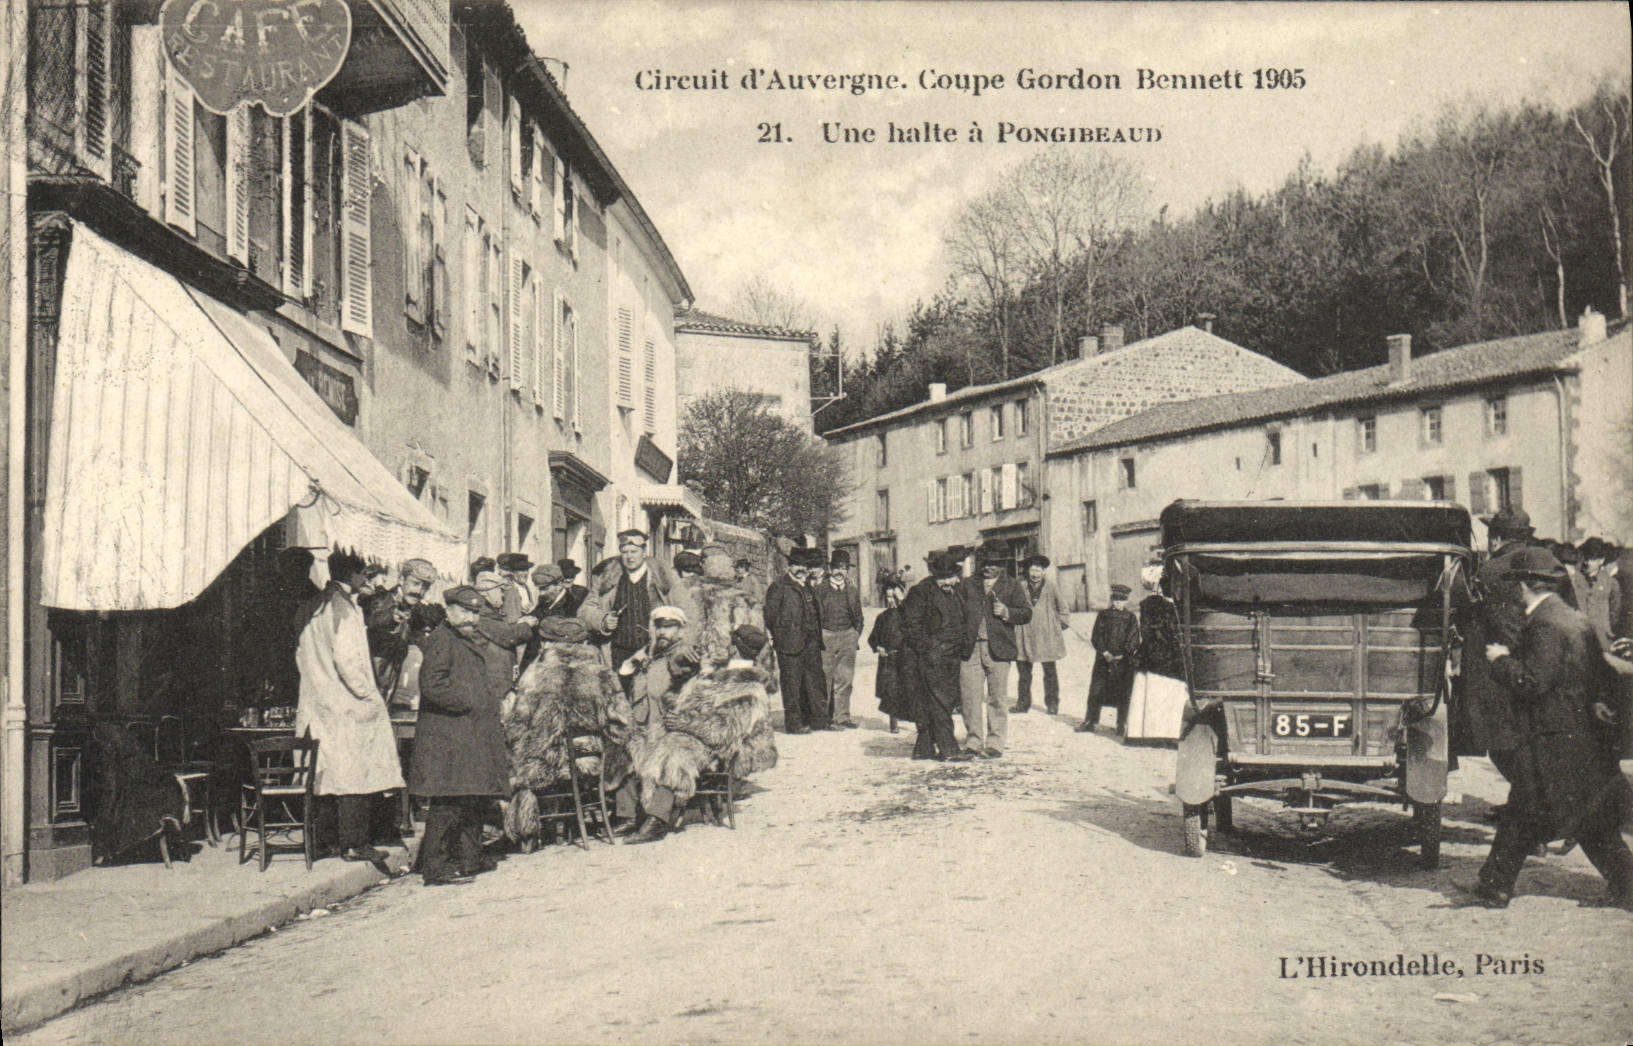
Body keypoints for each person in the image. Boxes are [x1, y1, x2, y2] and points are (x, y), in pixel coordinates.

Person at [1463, 548, 1632, 909]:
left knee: (1553, 816)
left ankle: (1495, 886)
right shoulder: (1572, 618)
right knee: (1546, 815)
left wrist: (1502, 661)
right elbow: (1600, 674)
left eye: (1515, 584)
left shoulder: (1545, 625)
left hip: (1552, 740)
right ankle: (1494, 885)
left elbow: (1533, 682)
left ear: (1525, 585)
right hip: (1577, 737)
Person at [294, 550, 404, 866]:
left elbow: (300, 657)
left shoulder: (310, 607)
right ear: (354, 575)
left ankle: (325, 841)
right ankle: (354, 843)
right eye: (365, 575)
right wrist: (369, 696)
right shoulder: (344, 610)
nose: (367, 580)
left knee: (325, 773)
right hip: (345, 705)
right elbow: (349, 661)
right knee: (355, 773)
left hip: (318, 700)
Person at [631, 624, 779, 843]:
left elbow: (724, 732)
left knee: (676, 754)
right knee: (641, 741)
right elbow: (678, 700)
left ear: (735, 648)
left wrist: (685, 723)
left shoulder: (749, 687)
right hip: (692, 733)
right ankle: (637, 815)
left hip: (721, 749)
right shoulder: (715, 671)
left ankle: (657, 821)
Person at [413, 586, 514, 886]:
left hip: (467, 735)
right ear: (451, 611)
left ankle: (470, 859)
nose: (472, 618)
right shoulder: (442, 640)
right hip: (450, 737)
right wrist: (470, 701)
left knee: (473, 799)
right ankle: (435, 866)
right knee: (447, 804)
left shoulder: (461, 638)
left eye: (475, 612)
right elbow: (432, 685)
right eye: (466, 612)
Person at [1456, 508, 1537, 798]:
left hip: (1499, 675)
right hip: (1545, 669)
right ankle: (1533, 811)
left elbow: (1502, 626)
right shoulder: (1549, 565)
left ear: (1496, 539)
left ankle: (1542, 815)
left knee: (1503, 747)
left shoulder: (1491, 571)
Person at [618, 606, 702, 842]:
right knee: (625, 750)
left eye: (670, 627)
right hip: (646, 725)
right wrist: (632, 663)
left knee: (670, 760)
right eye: (659, 627)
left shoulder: (683, 653)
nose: (663, 632)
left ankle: (657, 820)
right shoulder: (649, 654)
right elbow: (627, 684)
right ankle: (628, 816)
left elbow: (692, 686)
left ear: (680, 630)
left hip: (673, 729)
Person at [955, 541, 1032, 758]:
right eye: (985, 563)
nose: (988, 567)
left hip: (999, 650)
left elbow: (1026, 613)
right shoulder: (967, 585)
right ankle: (973, 741)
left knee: (997, 697)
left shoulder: (1012, 585)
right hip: (970, 649)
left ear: (1002, 565)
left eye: (993, 564)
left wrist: (1007, 612)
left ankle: (995, 743)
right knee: (969, 697)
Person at [579, 529, 677, 689]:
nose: (629, 557)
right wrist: (602, 620)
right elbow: (584, 610)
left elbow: (682, 613)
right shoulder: (608, 580)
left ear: (644, 551)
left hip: (652, 653)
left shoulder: (662, 579)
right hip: (617, 654)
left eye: (634, 551)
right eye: (624, 552)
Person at [902, 552, 974, 761]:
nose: (949, 581)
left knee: (942, 701)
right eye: (944, 577)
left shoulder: (956, 592)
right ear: (935, 576)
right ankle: (948, 749)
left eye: (951, 576)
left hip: (952, 656)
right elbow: (910, 625)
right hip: (932, 657)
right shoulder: (920, 592)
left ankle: (924, 749)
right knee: (940, 702)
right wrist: (929, 648)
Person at [764, 548, 830, 732]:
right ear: (789, 566)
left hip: (811, 643)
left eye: (804, 565)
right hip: (789, 644)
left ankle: (817, 721)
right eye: (796, 565)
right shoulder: (779, 586)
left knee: (813, 682)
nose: (801, 569)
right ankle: (794, 724)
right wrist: (781, 635)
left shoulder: (808, 586)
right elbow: (769, 615)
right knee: (792, 685)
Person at [363, 558, 440, 699]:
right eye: (415, 584)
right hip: (368, 681)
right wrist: (391, 618)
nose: (419, 591)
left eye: (425, 587)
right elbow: (373, 620)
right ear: (401, 579)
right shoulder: (380, 600)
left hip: (390, 680)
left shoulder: (415, 609)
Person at [1012, 554, 1070, 714]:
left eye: (1038, 570)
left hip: (1046, 635)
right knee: (1024, 672)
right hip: (1025, 634)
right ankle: (1023, 703)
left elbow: (1063, 608)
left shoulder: (1051, 586)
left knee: (1049, 672)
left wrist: (1059, 625)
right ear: (1027, 571)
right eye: (1032, 570)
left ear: (1043, 572)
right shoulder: (1020, 586)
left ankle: (1052, 704)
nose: (1035, 574)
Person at [816, 549, 865, 729]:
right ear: (830, 568)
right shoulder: (820, 590)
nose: (840, 571)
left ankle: (842, 716)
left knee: (845, 678)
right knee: (825, 677)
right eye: (836, 567)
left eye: (843, 568)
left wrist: (854, 634)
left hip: (847, 636)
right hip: (826, 635)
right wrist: (820, 635)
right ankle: (825, 718)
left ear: (847, 571)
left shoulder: (852, 590)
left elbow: (859, 616)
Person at [1081, 583, 1139, 734]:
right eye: (1115, 599)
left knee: (1123, 693)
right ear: (1112, 600)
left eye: (1121, 600)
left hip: (1123, 662)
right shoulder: (1103, 615)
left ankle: (1121, 724)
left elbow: (1134, 638)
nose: (1118, 603)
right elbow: (1096, 636)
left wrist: (1124, 654)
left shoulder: (1130, 618)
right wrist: (1104, 652)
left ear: (1126, 601)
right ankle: (1090, 721)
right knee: (1096, 690)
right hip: (1103, 660)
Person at [870, 573, 912, 733]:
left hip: (905, 658)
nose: (891, 600)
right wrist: (878, 647)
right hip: (888, 659)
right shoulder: (882, 617)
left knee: (908, 688)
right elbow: (873, 637)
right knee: (891, 691)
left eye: (894, 596)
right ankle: (893, 723)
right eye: (888, 597)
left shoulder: (907, 615)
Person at [1576, 537, 1622, 648]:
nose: (1586, 562)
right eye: (1585, 558)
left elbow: (1615, 611)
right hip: (1580, 637)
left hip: (1602, 638)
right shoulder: (1575, 580)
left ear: (1601, 560)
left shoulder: (1611, 583)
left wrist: (1605, 628)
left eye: (1591, 559)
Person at [496, 552, 537, 623]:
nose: (525, 573)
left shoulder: (526, 587)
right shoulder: (508, 588)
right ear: (512, 572)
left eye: (526, 570)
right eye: (521, 570)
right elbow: (508, 615)